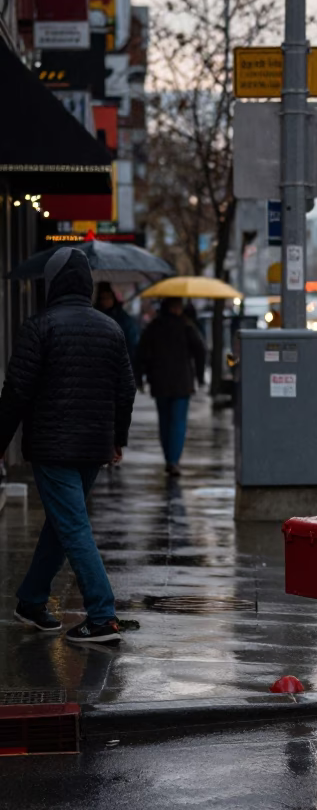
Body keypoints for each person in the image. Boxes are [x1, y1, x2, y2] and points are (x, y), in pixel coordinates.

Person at [0, 248, 136, 645]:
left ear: (53, 283)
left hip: (53, 446)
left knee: (72, 526)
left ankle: (102, 614)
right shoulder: (110, 328)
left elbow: (16, 392)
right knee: (62, 526)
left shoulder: (39, 326)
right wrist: (117, 440)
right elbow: (125, 390)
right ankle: (31, 599)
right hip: (93, 448)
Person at [136, 297, 206, 476]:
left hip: (160, 382)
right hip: (182, 382)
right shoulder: (186, 326)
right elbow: (200, 350)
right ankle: (173, 460)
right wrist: (199, 376)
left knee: (165, 421)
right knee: (178, 422)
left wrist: (140, 377)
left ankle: (169, 457)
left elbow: (141, 353)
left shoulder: (154, 327)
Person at [95, 281, 139, 376]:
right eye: (103, 298)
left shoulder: (123, 318)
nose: (106, 301)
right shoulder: (94, 317)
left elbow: (132, 342)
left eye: (108, 297)